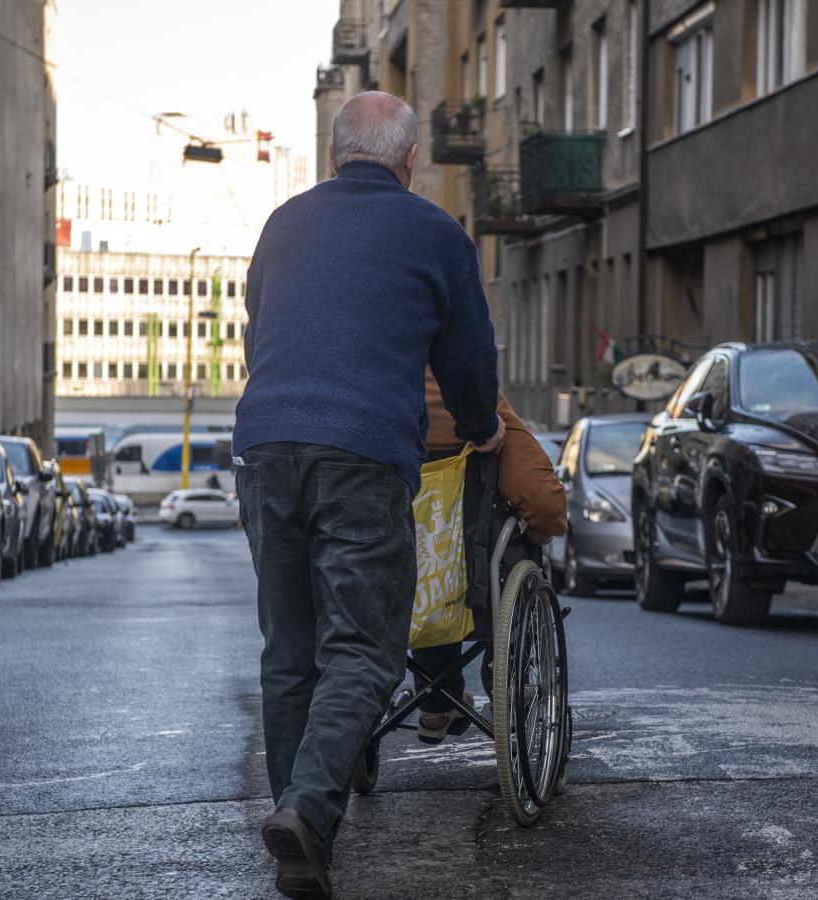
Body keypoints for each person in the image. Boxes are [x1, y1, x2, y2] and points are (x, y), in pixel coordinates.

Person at [232, 91, 505, 900]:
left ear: (335, 153)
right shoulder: (434, 232)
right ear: (409, 158)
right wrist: (482, 424)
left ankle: (299, 830)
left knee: (290, 653)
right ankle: (309, 812)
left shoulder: (283, 222)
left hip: (266, 443)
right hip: (360, 454)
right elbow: (468, 360)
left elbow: (258, 329)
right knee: (364, 647)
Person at [412, 371, 568, 742]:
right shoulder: (479, 415)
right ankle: (504, 675)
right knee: (499, 548)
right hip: (473, 586)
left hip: (397, 588)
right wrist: (542, 530)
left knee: (419, 570)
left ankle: (436, 698)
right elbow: (544, 502)